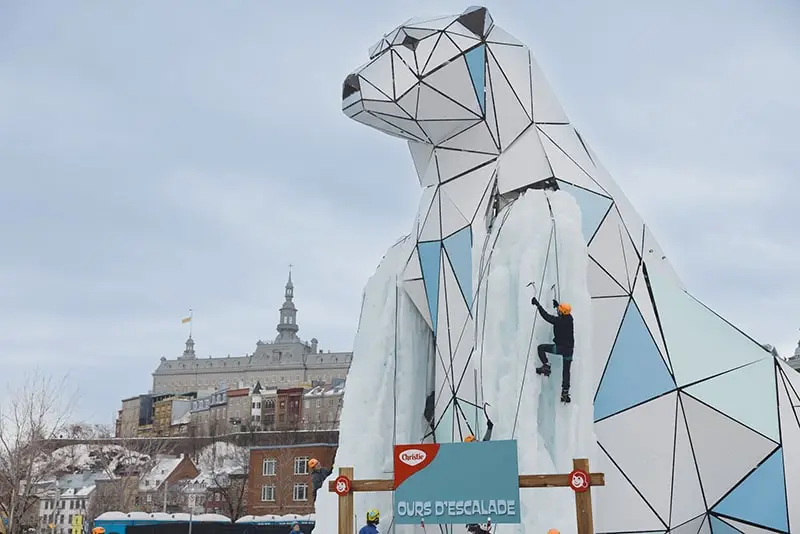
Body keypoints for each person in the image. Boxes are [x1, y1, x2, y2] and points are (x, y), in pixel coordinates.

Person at [531, 297, 574, 403]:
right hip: (569, 350)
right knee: (566, 370)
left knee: (541, 348)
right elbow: (562, 315)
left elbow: (546, 316)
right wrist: (557, 306)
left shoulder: (559, 321)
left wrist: (538, 305)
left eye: (559, 310)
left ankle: (546, 366)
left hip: (561, 348)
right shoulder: (569, 319)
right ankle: (565, 392)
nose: (558, 311)